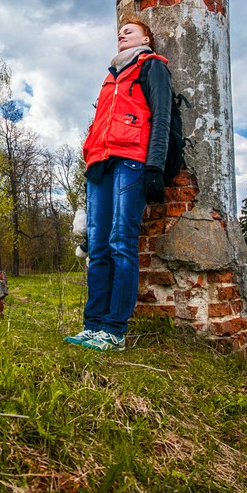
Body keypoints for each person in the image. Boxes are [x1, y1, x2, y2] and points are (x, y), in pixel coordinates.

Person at [65, 19, 172, 352]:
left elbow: (162, 117)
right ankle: (92, 325)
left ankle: (114, 330)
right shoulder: (110, 77)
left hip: (131, 162)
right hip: (99, 164)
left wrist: (154, 166)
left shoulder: (151, 66)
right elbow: (98, 124)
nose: (122, 33)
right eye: (120, 31)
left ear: (146, 38)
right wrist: (88, 159)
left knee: (120, 243)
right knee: (96, 246)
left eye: (131, 30)